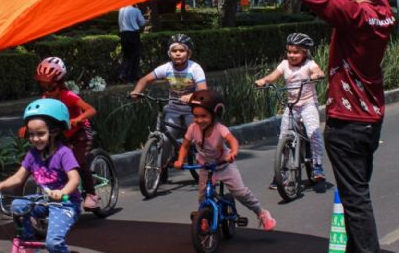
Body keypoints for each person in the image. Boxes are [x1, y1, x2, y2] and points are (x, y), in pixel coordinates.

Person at [262, 0, 394, 253]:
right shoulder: (383, 12)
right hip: (370, 118)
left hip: (349, 122)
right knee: (357, 193)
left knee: (355, 199)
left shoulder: (352, 15)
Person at [0, 99, 83, 253]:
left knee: (54, 241)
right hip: (44, 201)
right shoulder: (33, 154)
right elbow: (19, 177)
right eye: (31, 134)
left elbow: (75, 179)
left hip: (65, 204)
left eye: (40, 134)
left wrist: (62, 192)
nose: (35, 139)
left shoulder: (64, 153)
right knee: (18, 205)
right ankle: (31, 246)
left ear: (55, 131)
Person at [173, 89, 276, 231]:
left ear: (215, 115)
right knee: (203, 197)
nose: (199, 120)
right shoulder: (192, 128)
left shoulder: (219, 128)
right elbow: (184, 146)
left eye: (203, 116)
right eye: (195, 116)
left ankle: (261, 213)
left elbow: (232, 140)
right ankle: (205, 218)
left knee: (240, 192)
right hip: (206, 167)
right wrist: (180, 160)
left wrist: (233, 152)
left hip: (224, 164)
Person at [255, 32, 327, 192]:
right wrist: (264, 81)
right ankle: (282, 173)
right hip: (291, 105)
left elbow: (318, 71)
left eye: (296, 52)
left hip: (308, 104)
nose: (292, 55)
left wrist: (317, 75)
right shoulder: (284, 65)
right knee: (283, 137)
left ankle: (317, 166)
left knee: (314, 133)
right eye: (289, 52)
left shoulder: (309, 64)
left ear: (305, 52)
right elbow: (273, 76)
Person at [34, 56, 100, 210]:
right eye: (42, 84)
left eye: (48, 84)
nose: (45, 88)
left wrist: (79, 118)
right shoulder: (45, 98)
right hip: (62, 135)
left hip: (80, 133)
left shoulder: (68, 96)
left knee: (78, 162)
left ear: (58, 82)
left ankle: (91, 194)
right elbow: (39, 116)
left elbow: (91, 110)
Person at [130, 33, 207, 135]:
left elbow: (203, 90)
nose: (178, 53)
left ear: (189, 54)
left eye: (182, 50)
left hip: (191, 109)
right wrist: (136, 92)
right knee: (166, 139)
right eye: (174, 51)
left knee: (196, 137)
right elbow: (145, 80)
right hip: (173, 108)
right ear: (169, 53)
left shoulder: (195, 68)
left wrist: (191, 96)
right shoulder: (166, 68)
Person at [118, 4, 146, 83]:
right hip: (133, 34)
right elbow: (142, 22)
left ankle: (122, 74)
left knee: (126, 55)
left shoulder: (121, 10)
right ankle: (132, 77)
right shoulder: (136, 10)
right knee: (135, 56)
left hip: (123, 34)